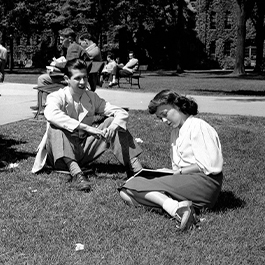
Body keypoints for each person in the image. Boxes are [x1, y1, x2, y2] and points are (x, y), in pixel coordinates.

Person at [119, 90, 224, 231]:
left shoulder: (197, 126)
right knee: (125, 191)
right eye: (159, 118)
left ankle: (176, 208)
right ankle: (179, 209)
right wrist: (167, 173)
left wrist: (177, 173)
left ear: (177, 106)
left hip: (205, 183)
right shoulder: (175, 132)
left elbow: (210, 166)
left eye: (164, 114)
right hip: (185, 180)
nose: (163, 120)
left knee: (133, 185)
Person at [32, 59, 143, 192]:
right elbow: (50, 114)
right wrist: (87, 128)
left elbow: (120, 112)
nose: (83, 82)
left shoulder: (91, 96)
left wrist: (113, 127)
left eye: (85, 77)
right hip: (58, 153)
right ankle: (77, 175)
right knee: (55, 126)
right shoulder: (57, 96)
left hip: (83, 149)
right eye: (77, 78)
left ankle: (137, 170)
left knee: (113, 122)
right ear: (67, 79)